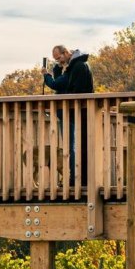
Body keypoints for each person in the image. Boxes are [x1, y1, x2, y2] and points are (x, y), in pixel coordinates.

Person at [42, 45, 94, 186]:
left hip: (76, 111)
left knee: (73, 146)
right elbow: (61, 84)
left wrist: (46, 75)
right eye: (56, 59)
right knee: (72, 146)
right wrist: (58, 69)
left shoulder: (77, 67)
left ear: (66, 53)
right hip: (69, 111)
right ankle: (75, 179)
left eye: (59, 58)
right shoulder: (67, 67)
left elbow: (58, 84)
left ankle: (76, 179)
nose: (58, 61)